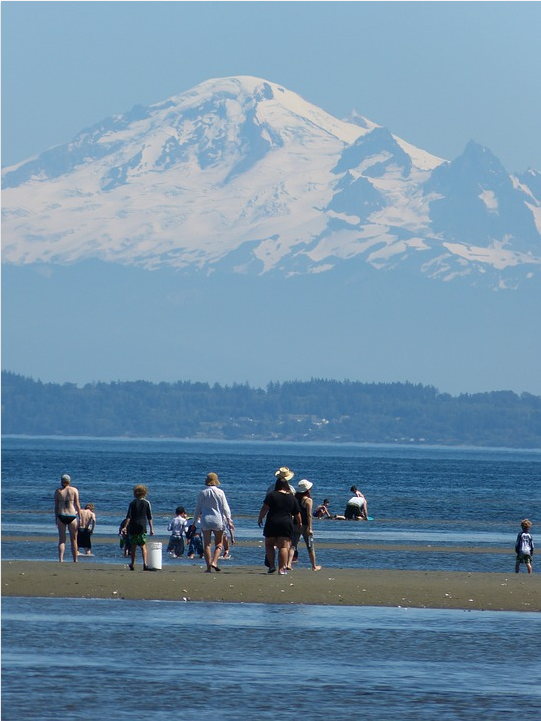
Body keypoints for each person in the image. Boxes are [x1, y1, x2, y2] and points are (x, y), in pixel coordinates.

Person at [189, 472, 235, 573]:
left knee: (207, 545)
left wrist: (194, 522)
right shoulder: (220, 492)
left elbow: (198, 509)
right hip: (218, 520)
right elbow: (225, 508)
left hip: (205, 520)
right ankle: (214, 561)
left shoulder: (203, 493)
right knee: (219, 544)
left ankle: (208, 567)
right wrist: (229, 520)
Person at [258, 476, 302, 575]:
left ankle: (272, 566)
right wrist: (299, 523)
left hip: (272, 522)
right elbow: (297, 513)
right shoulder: (292, 497)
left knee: (269, 545)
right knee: (283, 547)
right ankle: (282, 569)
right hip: (286, 523)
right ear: (286, 486)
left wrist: (260, 518)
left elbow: (264, 508)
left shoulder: (271, 495)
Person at [289, 479, 321, 571]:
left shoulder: (295, 498)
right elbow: (309, 515)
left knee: (293, 545)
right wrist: (311, 528)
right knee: (310, 546)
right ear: (307, 490)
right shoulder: (308, 500)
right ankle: (314, 566)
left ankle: (288, 564)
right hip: (305, 526)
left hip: (296, 524)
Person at [125, 484, 154, 571]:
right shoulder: (146, 503)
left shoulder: (132, 503)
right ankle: (145, 563)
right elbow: (149, 517)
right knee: (143, 545)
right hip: (142, 525)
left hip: (133, 525)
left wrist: (125, 526)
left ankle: (133, 563)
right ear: (145, 493)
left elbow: (128, 516)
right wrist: (151, 529)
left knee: (133, 546)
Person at [54, 474, 82, 562]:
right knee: (74, 539)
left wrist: (56, 517)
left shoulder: (58, 491)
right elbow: (77, 505)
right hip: (72, 515)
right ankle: (75, 559)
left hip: (61, 515)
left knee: (62, 539)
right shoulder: (74, 490)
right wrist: (80, 517)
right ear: (69, 481)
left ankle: (61, 559)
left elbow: (56, 506)